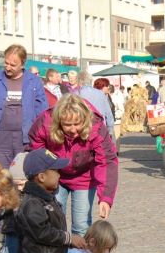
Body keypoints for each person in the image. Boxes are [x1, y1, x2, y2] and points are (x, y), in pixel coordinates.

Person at [28, 94, 119, 236]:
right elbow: (36, 152)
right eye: (67, 125)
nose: (72, 129)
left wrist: (105, 198)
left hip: (84, 178)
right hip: (54, 175)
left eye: (77, 124)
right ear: (58, 122)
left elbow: (107, 161)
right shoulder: (45, 122)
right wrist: (37, 181)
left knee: (81, 226)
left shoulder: (96, 127)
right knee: (54, 222)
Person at [0, 44, 48, 168]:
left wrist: (35, 131)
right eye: (6, 63)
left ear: (22, 64)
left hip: (25, 138)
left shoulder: (34, 81)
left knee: (22, 175)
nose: (8, 67)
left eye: (13, 65)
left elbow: (42, 110)